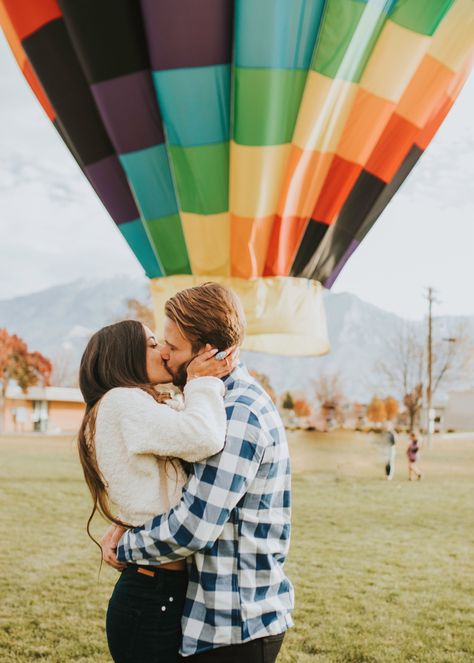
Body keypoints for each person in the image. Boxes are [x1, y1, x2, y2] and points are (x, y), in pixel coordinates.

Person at [101, 282, 294, 662]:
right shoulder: (208, 403)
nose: (164, 354)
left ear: (209, 352)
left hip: (234, 629)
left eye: (172, 347)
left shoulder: (240, 414)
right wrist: (128, 520)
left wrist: (126, 547)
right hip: (210, 622)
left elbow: (193, 527)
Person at [77, 319, 238, 662]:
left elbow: (148, 483)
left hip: (157, 588)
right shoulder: (122, 402)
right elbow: (204, 437)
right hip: (152, 593)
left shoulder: (122, 405)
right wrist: (202, 382)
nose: (163, 352)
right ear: (126, 356)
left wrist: (122, 522)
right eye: (152, 344)